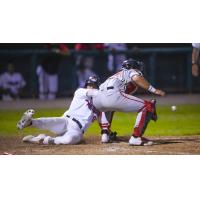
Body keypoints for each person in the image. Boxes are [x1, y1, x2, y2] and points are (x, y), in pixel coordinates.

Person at [92, 58, 165, 146]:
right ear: (132, 67)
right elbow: (136, 77)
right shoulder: (130, 71)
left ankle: (105, 134)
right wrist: (154, 90)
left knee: (108, 107)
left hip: (97, 100)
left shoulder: (115, 75)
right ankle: (136, 137)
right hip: (112, 95)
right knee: (148, 106)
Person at [16, 76, 101, 145]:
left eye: (94, 86)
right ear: (86, 85)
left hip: (77, 130)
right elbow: (94, 93)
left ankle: (41, 139)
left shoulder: (99, 105)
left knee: (68, 140)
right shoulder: (80, 92)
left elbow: (103, 121)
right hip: (66, 120)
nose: (91, 87)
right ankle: (30, 122)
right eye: (90, 85)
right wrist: (104, 93)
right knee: (51, 121)